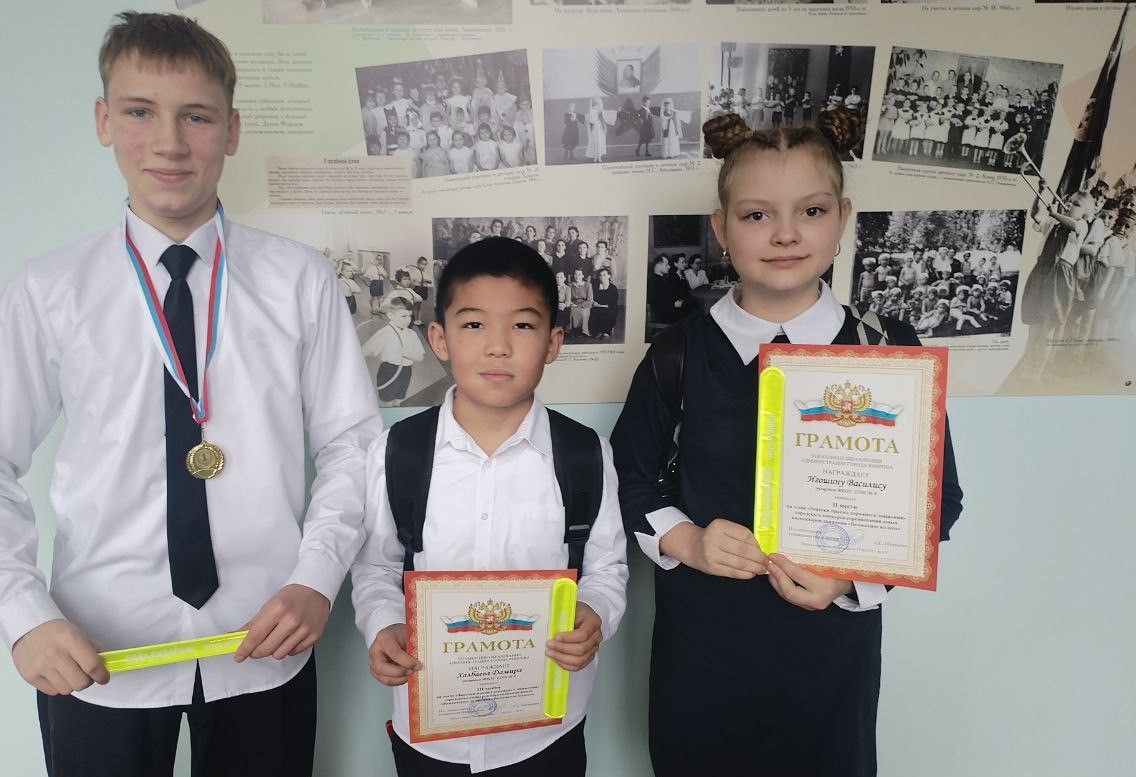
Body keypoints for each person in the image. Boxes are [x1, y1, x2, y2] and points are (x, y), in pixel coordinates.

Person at [0, 12, 381, 777]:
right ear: (103, 120)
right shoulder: (51, 289)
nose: (169, 142)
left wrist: (316, 577)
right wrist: (23, 615)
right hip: (95, 650)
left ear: (232, 130)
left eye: (196, 116)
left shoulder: (298, 280)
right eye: (140, 111)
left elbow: (353, 446)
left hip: (264, 639)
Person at [610, 107, 963, 777]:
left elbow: (938, 500)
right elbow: (625, 476)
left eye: (811, 210)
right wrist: (686, 539)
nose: (785, 234)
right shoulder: (680, 351)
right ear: (721, 228)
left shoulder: (885, 349)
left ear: (842, 218)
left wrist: (849, 579)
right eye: (756, 215)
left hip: (829, 663)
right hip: (702, 659)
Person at [350, 237, 628, 776]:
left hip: (545, 733)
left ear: (553, 342)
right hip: (430, 732)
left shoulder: (584, 453)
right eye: (474, 324)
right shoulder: (399, 450)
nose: (498, 346)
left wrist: (595, 613)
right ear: (439, 338)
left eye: (522, 325)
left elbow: (606, 568)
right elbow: (378, 566)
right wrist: (383, 624)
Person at [362, 297, 426, 407]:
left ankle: (396, 409)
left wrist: (407, 353)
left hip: (406, 372)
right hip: (389, 371)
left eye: (410, 316)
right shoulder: (385, 333)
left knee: (399, 398)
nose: (408, 320)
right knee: (387, 401)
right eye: (403, 316)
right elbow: (365, 350)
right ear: (390, 315)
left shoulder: (412, 334)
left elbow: (420, 357)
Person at [586, 96, 608, 163]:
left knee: (599, 142)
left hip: (599, 127)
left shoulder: (598, 110)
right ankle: (595, 157)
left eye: (596, 103)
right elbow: (590, 112)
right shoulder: (591, 110)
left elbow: (601, 114)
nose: (595, 105)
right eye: (594, 103)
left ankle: (599, 157)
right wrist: (591, 100)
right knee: (595, 142)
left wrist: (603, 128)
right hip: (595, 128)